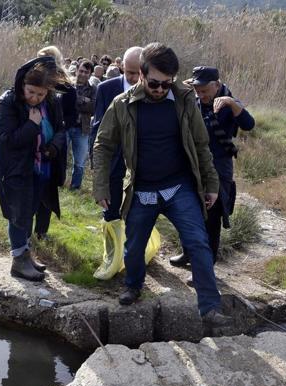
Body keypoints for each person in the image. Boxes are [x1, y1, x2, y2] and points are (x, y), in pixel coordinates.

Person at [92, 42, 231, 326]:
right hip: (142, 189)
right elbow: (103, 145)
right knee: (133, 248)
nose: (160, 90)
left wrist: (211, 184)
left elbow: (202, 144)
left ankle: (210, 308)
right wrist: (101, 187)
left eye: (166, 84)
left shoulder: (184, 100)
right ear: (141, 76)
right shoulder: (122, 105)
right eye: (154, 83)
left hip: (179, 188)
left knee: (198, 243)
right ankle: (133, 286)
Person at [170, 66, 255, 268]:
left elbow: (248, 124)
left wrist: (230, 104)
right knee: (187, 211)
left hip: (218, 167)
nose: (202, 95)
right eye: (198, 91)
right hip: (193, 164)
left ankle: (206, 264)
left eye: (205, 91)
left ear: (217, 85)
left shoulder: (228, 101)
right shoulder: (195, 101)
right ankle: (187, 253)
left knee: (212, 217)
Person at [0, 56, 65, 281]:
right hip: (14, 169)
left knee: (30, 212)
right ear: (22, 84)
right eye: (31, 92)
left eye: (40, 94)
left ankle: (25, 256)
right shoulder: (9, 102)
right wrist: (32, 125)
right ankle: (18, 262)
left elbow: (61, 131)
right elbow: (7, 140)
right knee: (18, 215)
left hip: (40, 167)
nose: (34, 98)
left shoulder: (52, 102)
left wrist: (52, 148)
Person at [90, 46, 142, 222]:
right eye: (129, 72)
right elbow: (97, 127)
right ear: (123, 67)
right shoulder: (106, 88)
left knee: (135, 213)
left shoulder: (153, 90)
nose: (133, 78)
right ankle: (113, 243)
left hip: (139, 160)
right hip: (112, 156)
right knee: (111, 211)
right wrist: (96, 163)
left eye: (137, 73)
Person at [36, 46, 76, 238]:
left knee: (48, 188)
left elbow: (69, 115)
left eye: (47, 60)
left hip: (54, 143)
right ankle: (26, 232)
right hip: (34, 143)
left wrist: (55, 141)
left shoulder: (65, 85)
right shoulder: (31, 80)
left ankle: (41, 231)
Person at [67, 60, 97, 190]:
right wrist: (84, 100)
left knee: (79, 161)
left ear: (90, 74)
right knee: (59, 156)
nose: (83, 74)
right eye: (81, 71)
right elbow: (66, 103)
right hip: (65, 125)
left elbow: (94, 107)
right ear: (77, 70)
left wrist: (79, 101)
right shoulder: (68, 85)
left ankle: (75, 186)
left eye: (86, 72)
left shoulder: (93, 89)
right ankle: (58, 182)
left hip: (82, 128)